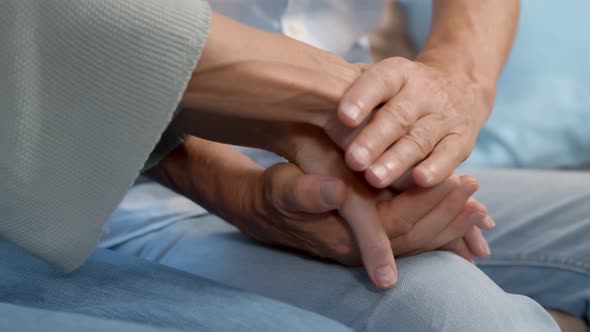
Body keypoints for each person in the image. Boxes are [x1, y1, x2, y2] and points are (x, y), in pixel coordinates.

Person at [0, 0, 505, 331]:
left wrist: (454, 87)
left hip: (364, 148)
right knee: (456, 312)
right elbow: (55, 38)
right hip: (129, 179)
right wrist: (236, 186)